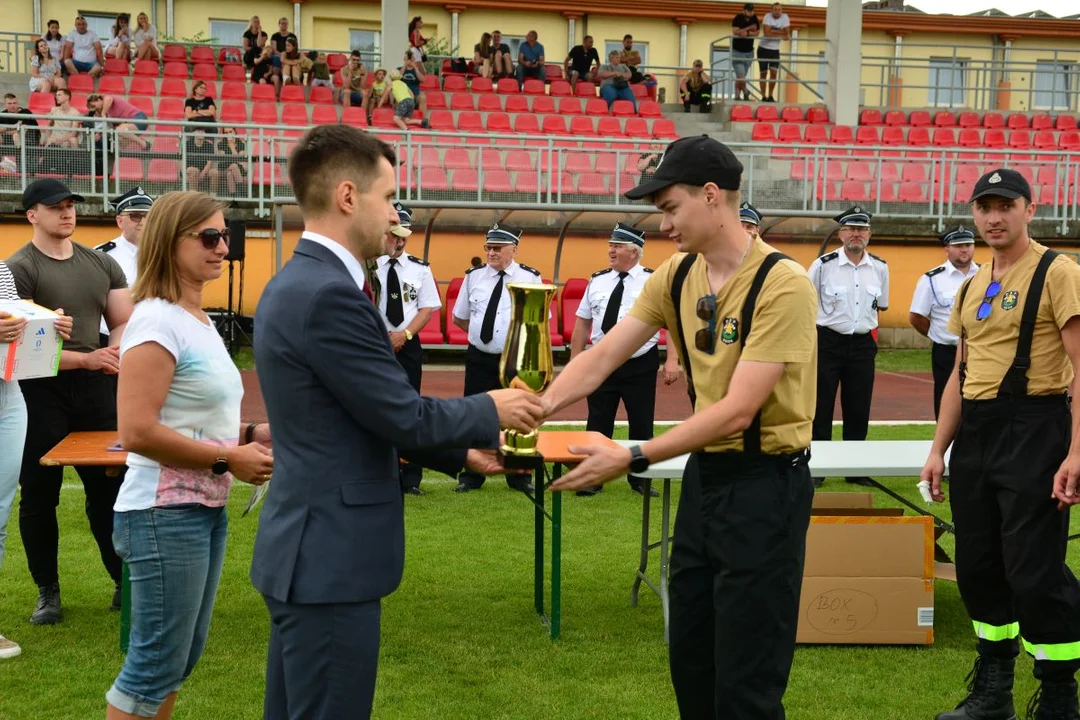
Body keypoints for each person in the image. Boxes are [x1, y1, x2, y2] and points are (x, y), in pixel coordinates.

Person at [250, 124, 543, 720]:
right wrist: (493, 408)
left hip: (310, 550)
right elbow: (402, 414)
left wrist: (462, 454)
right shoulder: (329, 292)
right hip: (331, 556)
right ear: (349, 197)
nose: (394, 215)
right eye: (388, 198)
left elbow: (354, 417)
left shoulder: (298, 281)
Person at [540, 135, 817, 720]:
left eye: (670, 208)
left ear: (712, 196)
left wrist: (632, 454)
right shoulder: (676, 274)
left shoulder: (783, 282)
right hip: (706, 480)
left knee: (746, 676)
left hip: (766, 486)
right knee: (691, 658)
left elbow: (738, 410)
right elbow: (603, 355)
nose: (663, 224)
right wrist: (536, 408)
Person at [105, 190, 274, 720]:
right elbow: (136, 430)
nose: (223, 247)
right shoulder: (157, 321)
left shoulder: (194, 319)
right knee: (154, 666)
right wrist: (228, 460)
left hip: (198, 510)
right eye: (208, 237)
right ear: (168, 242)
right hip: (161, 512)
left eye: (225, 235)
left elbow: (192, 415)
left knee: (178, 661)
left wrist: (251, 431)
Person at [921, 168, 1080, 720]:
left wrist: (1077, 453)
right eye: (984, 207)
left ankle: (1059, 695)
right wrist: (938, 448)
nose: (993, 217)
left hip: (1036, 427)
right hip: (978, 434)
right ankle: (993, 692)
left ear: (1029, 209)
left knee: (1033, 570)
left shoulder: (1059, 272)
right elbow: (960, 375)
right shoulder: (969, 284)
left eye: (1005, 205)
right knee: (979, 565)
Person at [7, 178, 133, 625]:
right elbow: (23, 347)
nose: (66, 213)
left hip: (97, 389)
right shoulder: (17, 268)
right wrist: (89, 358)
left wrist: (112, 350)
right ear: (32, 215)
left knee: (110, 490)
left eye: (70, 205)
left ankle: (123, 582)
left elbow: (121, 319)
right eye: (55, 206)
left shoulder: (102, 263)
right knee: (40, 495)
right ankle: (48, 592)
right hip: (41, 390)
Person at [570, 222, 679, 498]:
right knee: (598, 422)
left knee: (641, 422)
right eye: (610, 245)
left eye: (617, 246)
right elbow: (583, 323)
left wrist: (671, 361)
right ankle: (592, 477)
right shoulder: (597, 280)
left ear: (634, 251)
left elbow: (673, 323)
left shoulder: (653, 282)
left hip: (639, 363)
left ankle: (640, 477)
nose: (611, 250)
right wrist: (575, 361)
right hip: (601, 362)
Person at [0, 260, 72, 660]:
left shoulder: (0, 269)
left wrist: (46, 327)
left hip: (9, 396)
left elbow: (16, 328)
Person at [451, 222, 545, 494]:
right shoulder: (474, 277)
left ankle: (518, 475)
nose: (491, 253)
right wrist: (484, 338)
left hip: (515, 359)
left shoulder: (530, 278)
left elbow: (539, 321)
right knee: (475, 413)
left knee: (517, 415)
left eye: (497, 248)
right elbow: (460, 317)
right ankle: (471, 475)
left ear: (513, 249)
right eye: (488, 248)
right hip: (479, 357)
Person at [807, 205, 888, 487]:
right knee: (821, 406)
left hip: (863, 344)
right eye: (851, 229)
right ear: (841, 234)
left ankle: (855, 468)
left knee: (858, 407)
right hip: (827, 342)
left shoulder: (880, 267)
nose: (857, 234)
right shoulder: (822, 265)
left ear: (870, 233)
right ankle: (818, 468)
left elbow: (881, 307)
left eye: (862, 229)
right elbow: (806, 305)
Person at [375, 203, 442, 496]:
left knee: (409, 407)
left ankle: (410, 476)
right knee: (374, 406)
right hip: (374, 343)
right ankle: (377, 470)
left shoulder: (420, 269)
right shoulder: (369, 264)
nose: (399, 241)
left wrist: (405, 334)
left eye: (404, 235)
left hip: (408, 345)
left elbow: (427, 307)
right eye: (394, 234)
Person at [908, 226, 978, 419]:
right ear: (947, 249)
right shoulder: (932, 279)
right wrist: (939, 334)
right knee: (946, 401)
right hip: (947, 351)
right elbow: (916, 317)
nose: (964, 249)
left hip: (980, 350)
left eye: (968, 245)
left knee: (980, 402)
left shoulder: (986, 275)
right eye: (958, 245)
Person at [96, 187, 153, 345]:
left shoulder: (165, 254)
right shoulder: (102, 255)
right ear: (119, 221)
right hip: (110, 338)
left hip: (151, 335)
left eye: (147, 216)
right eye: (135, 216)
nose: (142, 221)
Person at [758, 2, 790, 102]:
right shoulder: (767, 16)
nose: (777, 11)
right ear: (772, 10)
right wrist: (780, 33)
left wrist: (773, 31)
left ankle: (770, 96)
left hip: (775, 50)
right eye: (775, 9)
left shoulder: (785, 17)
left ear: (782, 10)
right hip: (763, 49)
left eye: (779, 9)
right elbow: (766, 33)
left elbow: (787, 34)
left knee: (774, 73)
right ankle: (763, 96)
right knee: (763, 73)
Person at [731, 3, 760, 101]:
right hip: (737, 51)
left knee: (741, 77)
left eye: (752, 10)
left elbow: (757, 32)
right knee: (741, 76)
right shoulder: (738, 18)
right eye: (748, 10)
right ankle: (746, 91)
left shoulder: (755, 18)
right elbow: (735, 31)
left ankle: (737, 95)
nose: (751, 12)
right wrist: (748, 28)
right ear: (744, 10)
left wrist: (746, 33)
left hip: (749, 52)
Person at [184, 127, 219, 193]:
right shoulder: (187, 144)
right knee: (193, 170)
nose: (200, 133)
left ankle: (213, 197)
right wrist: (183, 173)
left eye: (202, 131)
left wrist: (203, 173)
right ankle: (193, 196)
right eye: (198, 131)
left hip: (204, 171)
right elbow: (182, 161)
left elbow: (209, 163)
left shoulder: (209, 145)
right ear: (193, 133)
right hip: (190, 171)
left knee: (214, 172)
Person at [217, 127, 247, 195]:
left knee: (230, 174)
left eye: (230, 132)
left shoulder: (241, 144)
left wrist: (232, 147)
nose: (229, 134)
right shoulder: (221, 144)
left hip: (238, 169)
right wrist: (233, 160)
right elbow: (223, 159)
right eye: (226, 133)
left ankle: (233, 199)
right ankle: (242, 191)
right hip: (224, 168)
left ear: (234, 132)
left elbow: (239, 159)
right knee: (233, 166)